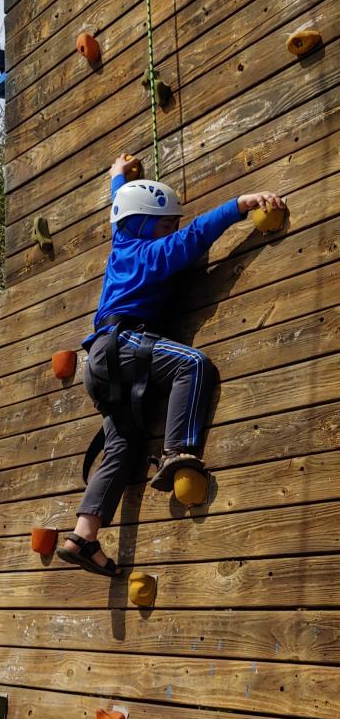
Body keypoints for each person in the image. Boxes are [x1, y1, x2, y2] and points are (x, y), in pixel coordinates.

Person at [57, 154, 286, 575]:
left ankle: (82, 536)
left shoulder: (122, 241)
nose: (173, 230)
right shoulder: (153, 254)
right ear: (144, 224)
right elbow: (197, 235)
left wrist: (116, 177)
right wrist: (240, 204)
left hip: (100, 363)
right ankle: (177, 452)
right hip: (126, 347)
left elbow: (121, 207)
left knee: (121, 448)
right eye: (166, 224)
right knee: (194, 365)